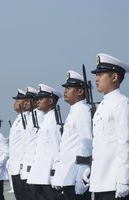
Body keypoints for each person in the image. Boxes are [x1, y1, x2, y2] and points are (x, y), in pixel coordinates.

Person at [85, 53, 129, 200]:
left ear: (114, 77)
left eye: (101, 74)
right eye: (96, 74)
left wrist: (123, 180)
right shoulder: (103, 106)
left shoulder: (122, 104)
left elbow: (125, 144)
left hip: (115, 182)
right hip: (101, 182)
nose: (96, 78)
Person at [52, 70, 92, 200]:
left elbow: (87, 143)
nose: (65, 91)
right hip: (67, 176)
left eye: (69, 88)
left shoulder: (82, 111)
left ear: (80, 91)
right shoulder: (74, 112)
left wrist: (83, 173)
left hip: (76, 176)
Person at [27, 83, 63, 200]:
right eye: (37, 99)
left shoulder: (54, 121)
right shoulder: (46, 120)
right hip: (41, 174)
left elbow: (58, 149)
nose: (37, 101)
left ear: (51, 101)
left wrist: (55, 174)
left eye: (41, 98)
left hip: (48, 175)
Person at [8, 89, 28, 200]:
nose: (15, 103)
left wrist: (22, 165)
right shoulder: (18, 119)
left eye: (18, 100)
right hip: (14, 167)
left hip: (21, 167)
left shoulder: (27, 118)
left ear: (25, 103)